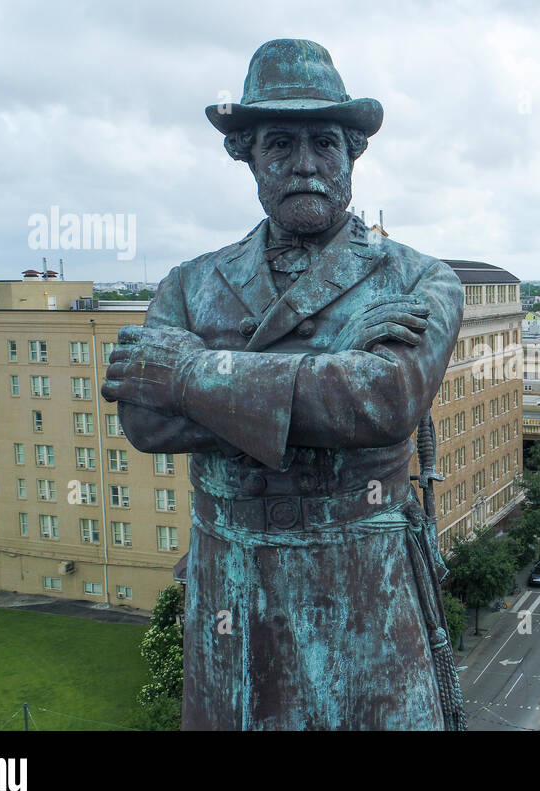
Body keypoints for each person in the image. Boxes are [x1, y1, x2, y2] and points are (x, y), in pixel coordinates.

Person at [101, 39, 464, 730]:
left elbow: (385, 400)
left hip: (364, 592)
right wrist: (332, 373)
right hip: (234, 598)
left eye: (324, 142)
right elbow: (145, 421)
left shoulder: (420, 278)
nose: (304, 163)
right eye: (280, 143)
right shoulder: (190, 282)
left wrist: (188, 373)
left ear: (353, 152)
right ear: (248, 154)